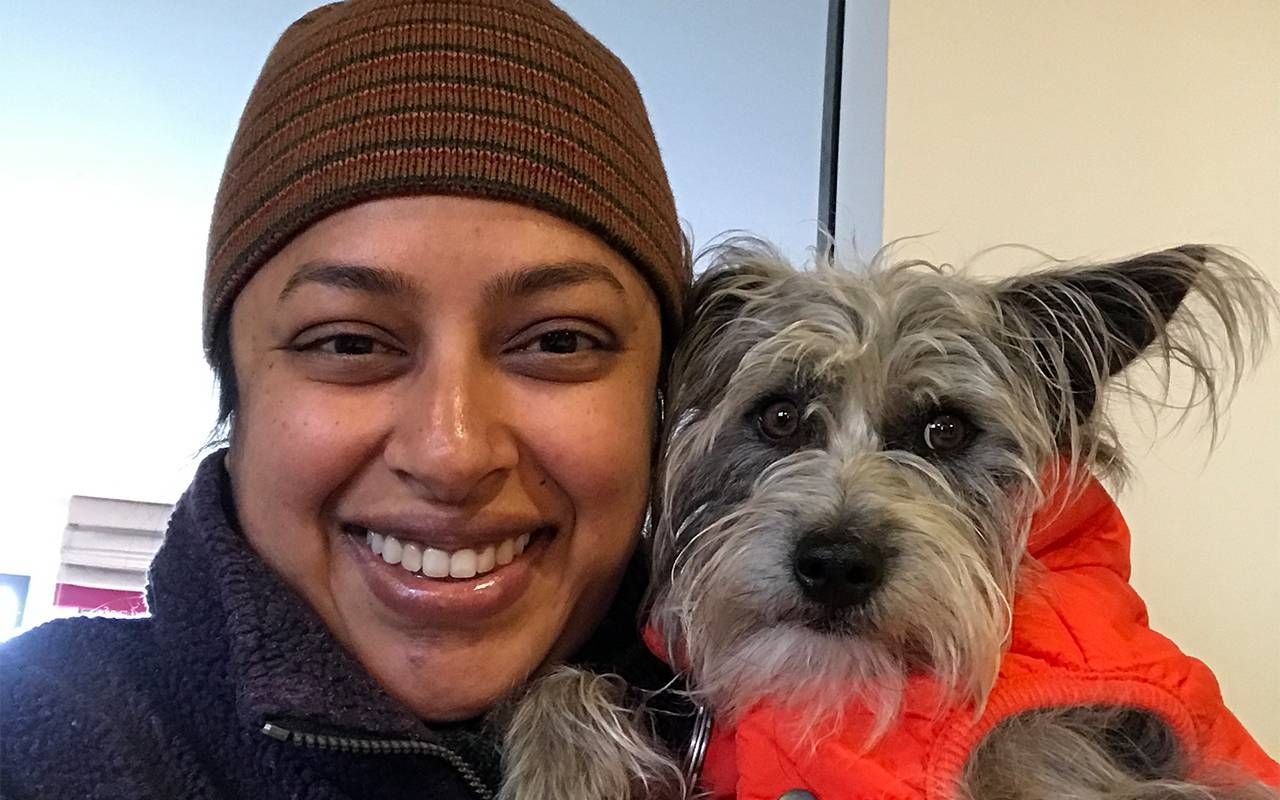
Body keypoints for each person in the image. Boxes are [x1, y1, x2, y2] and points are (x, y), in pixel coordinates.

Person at [0, 1, 694, 797]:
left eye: (559, 341)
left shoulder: (805, 744)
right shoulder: (40, 739)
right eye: (349, 343)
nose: (451, 452)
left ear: (662, 403)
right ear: (238, 397)